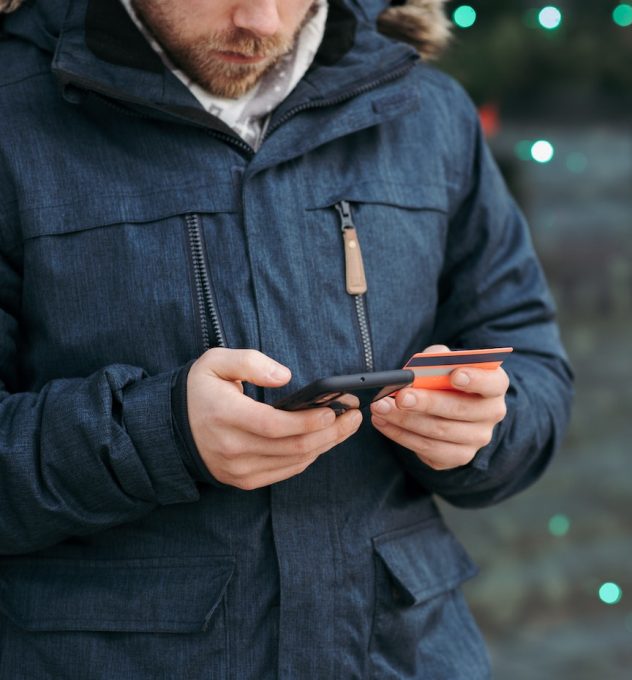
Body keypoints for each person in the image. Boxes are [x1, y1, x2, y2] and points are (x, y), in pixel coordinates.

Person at [0, 0, 573, 677]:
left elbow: (531, 362)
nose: (263, 20)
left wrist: (484, 426)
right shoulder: (14, 115)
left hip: (404, 657)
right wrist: (160, 436)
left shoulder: (427, 111)